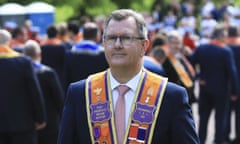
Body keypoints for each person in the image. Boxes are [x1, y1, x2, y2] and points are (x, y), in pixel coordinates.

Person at [58, 9, 200, 144]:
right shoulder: (80, 93)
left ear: (144, 46)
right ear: (104, 43)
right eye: (112, 38)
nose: (117, 45)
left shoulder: (171, 96)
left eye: (126, 38)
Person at [190, 24, 239, 144]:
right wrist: (235, 91)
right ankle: (217, 141)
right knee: (220, 119)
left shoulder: (202, 48)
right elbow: (231, 72)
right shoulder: (225, 51)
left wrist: (198, 77)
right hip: (222, 91)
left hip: (204, 88)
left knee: (203, 119)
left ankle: (200, 141)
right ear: (221, 36)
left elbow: (190, 64)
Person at [0, 29, 46, 144]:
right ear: (10, 42)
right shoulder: (23, 62)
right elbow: (35, 92)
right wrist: (40, 117)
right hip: (23, 123)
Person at [23, 40, 64, 144]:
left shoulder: (19, 73)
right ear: (39, 54)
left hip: (28, 123)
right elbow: (59, 99)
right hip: (50, 123)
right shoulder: (48, 73)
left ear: (24, 54)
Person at [64, 22, 108, 91]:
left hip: (76, 91)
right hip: (98, 92)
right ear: (98, 36)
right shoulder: (104, 54)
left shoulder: (70, 53)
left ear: (82, 35)